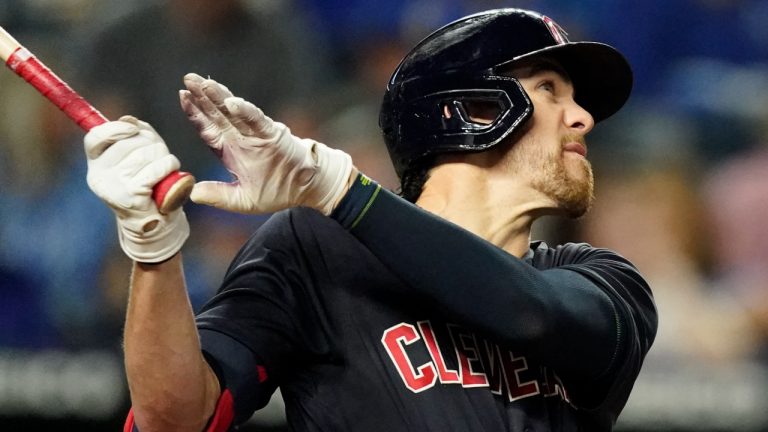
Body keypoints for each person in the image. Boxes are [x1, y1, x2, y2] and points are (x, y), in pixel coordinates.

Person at [82, 8, 657, 432]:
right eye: (550, 90)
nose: (582, 116)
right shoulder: (315, 249)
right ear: (471, 113)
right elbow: (174, 420)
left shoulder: (603, 280)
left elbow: (528, 313)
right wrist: (152, 246)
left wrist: (343, 192)